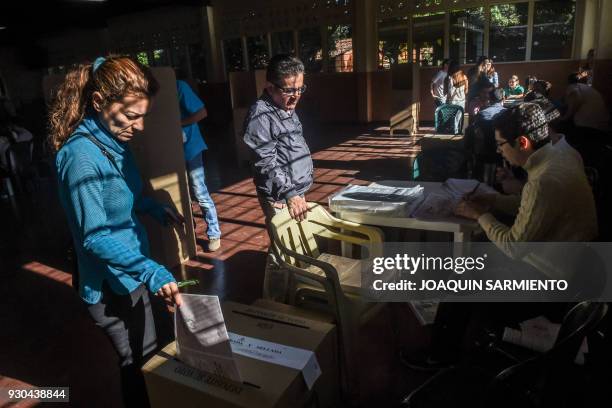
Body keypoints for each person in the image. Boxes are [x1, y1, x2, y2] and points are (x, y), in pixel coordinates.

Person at [49, 56, 184, 407]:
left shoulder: (113, 143)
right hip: (112, 285)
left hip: (131, 270)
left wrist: (154, 208)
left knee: (156, 351)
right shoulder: (81, 157)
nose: (138, 126)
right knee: (140, 362)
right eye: (131, 115)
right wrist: (152, 269)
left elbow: (123, 196)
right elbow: (94, 236)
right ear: (98, 103)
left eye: (143, 116)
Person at [243, 54, 313, 300]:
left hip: (294, 190)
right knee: (281, 249)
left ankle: (296, 292)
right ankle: (274, 302)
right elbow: (265, 162)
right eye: (288, 90)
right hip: (280, 195)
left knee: (296, 244)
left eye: (300, 88)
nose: (296, 95)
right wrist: (291, 194)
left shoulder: (285, 105)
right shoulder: (260, 115)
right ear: (269, 86)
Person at [176, 79, 221, 252]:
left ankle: (214, 233)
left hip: (190, 147)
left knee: (199, 191)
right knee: (180, 193)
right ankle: (189, 231)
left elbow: (202, 112)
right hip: (170, 150)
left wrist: (176, 125)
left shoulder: (179, 87)